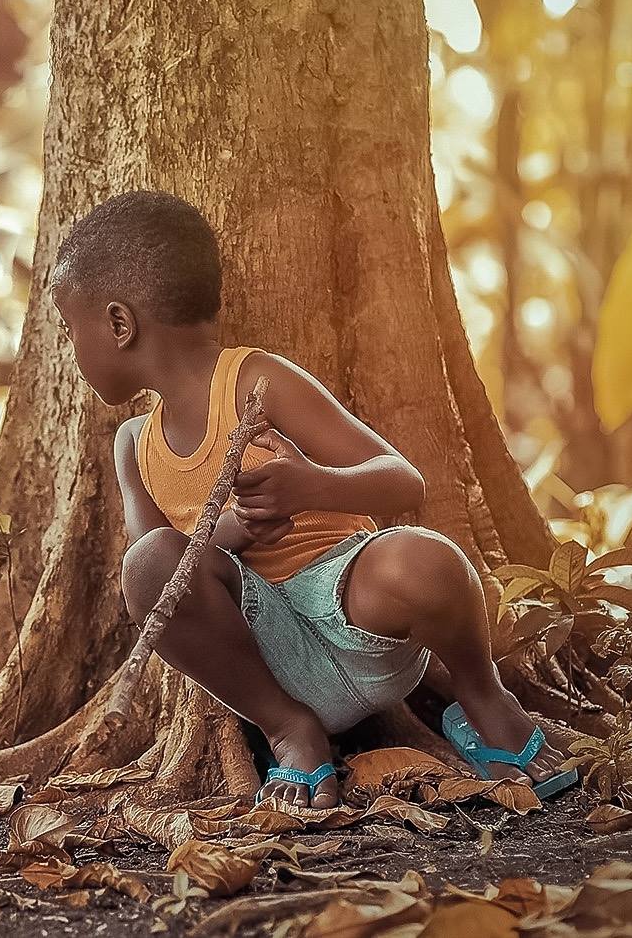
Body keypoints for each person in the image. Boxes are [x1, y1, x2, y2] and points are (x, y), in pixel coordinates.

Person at [48, 189, 576, 810]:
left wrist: (313, 486)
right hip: (260, 655)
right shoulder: (134, 445)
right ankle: (290, 731)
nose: (70, 346)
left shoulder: (256, 381)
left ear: (118, 324)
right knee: (145, 567)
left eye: (69, 328)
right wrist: (233, 537)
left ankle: (484, 699)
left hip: (358, 614)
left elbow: (404, 481)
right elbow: (158, 577)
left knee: (428, 559)